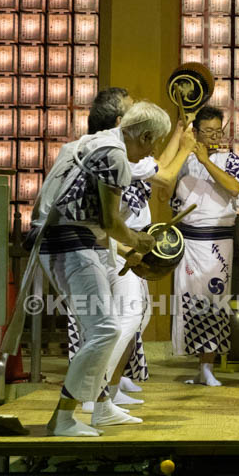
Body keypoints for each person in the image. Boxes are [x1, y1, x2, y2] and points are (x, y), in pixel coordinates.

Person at [32, 101, 170, 435]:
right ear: (145, 136)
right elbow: (111, 222)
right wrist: (138, 241)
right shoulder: (114, 154)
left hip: (68, 238)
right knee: (106, 329)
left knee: (104, 327)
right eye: (155, 143)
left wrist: (124, 246)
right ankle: (63, 417)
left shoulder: (87, 142)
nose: (152, 151)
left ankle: (103, 405)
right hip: (71, 242)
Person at [66, 89, 196, 414]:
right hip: (102, 243)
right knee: (120, 320)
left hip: (114, 241)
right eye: (132, 109)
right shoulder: (113, 153)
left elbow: (156, 164)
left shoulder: (120, 151)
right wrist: (185, 147)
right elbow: (165, 174)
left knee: (133, 318)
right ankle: (93, 394)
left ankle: (104, 393)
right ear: (121, 122)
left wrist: (179, 133)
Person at [169, 105, 239, 387]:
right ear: (196, 132)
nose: (215, 136)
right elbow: (167, 193)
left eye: (218, 131)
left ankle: (209, 365)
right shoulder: (183, 161)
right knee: (189, 301)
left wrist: (206, 161)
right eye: (208, 131)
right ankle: (198, 365)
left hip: (217, 240)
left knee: (215, 299)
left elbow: (235, 188)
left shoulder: (231, 160)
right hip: (189, 240)